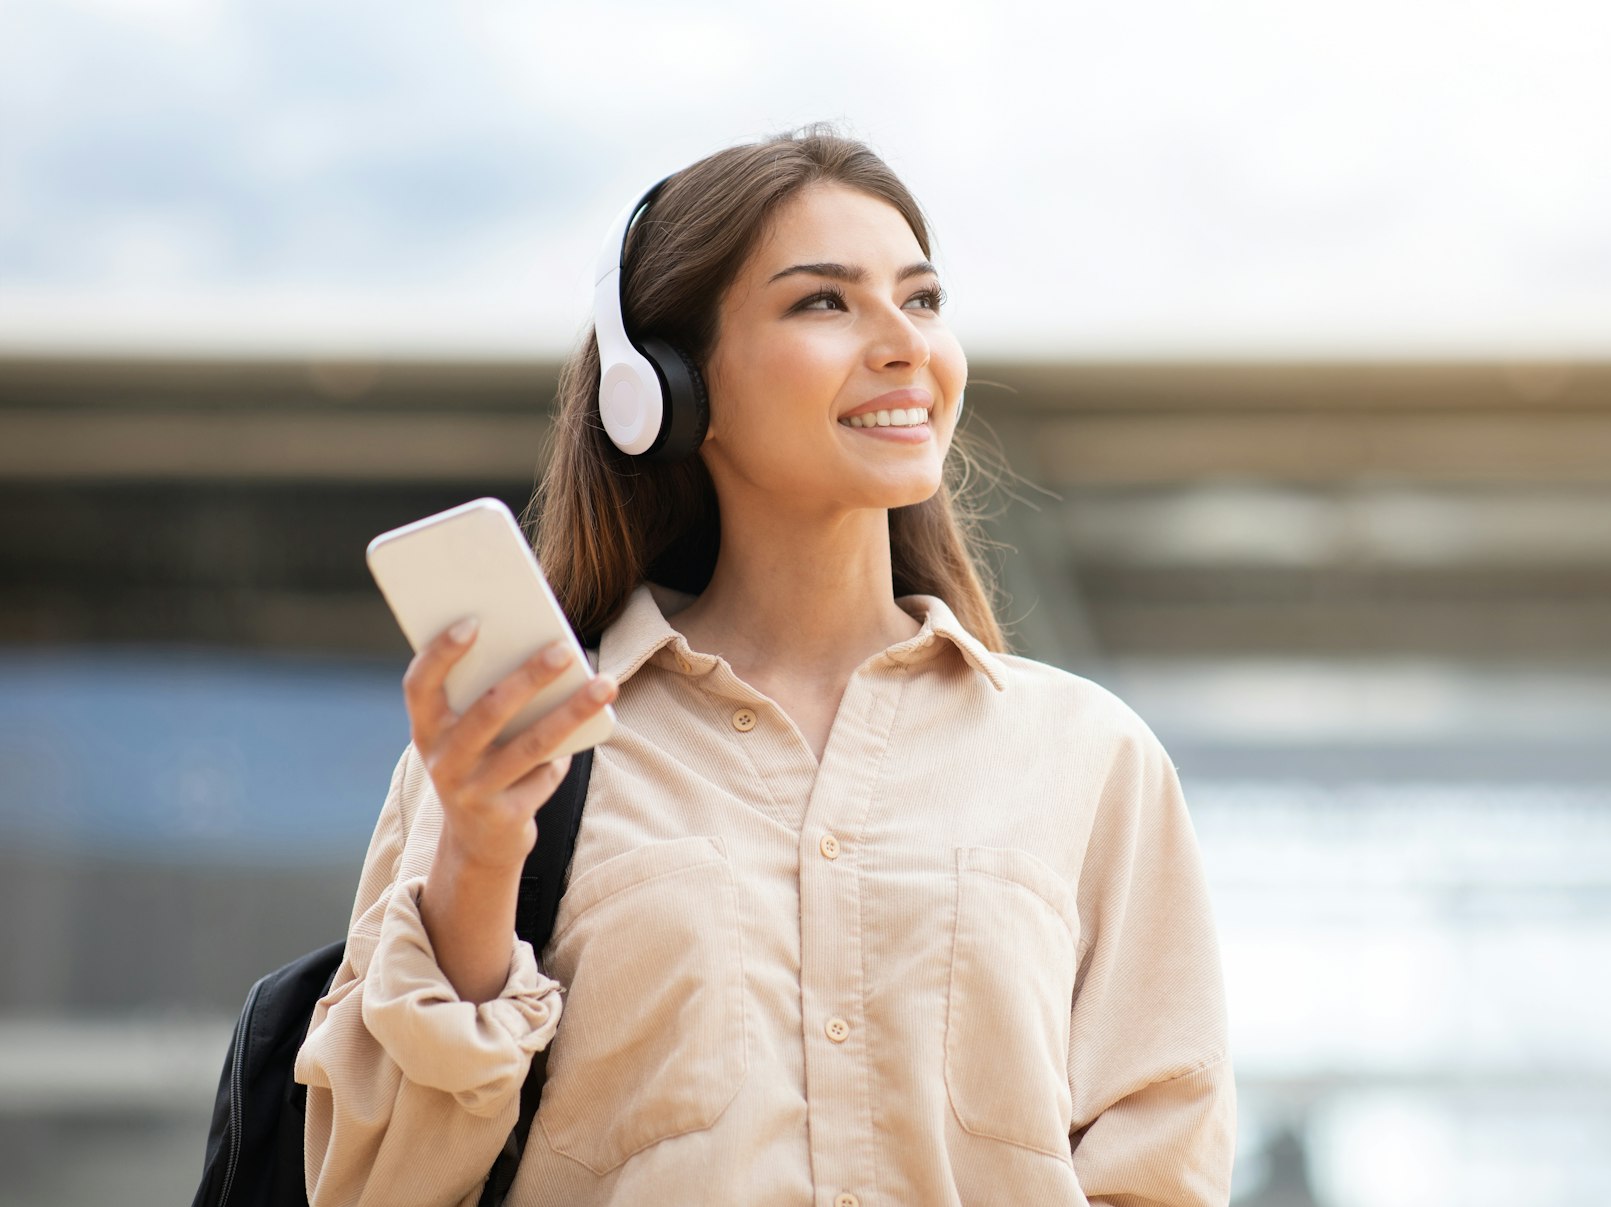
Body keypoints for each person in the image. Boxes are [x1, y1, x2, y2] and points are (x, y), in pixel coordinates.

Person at [294, 122, 1235, 1207]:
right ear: (667, 387)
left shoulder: (1085, 759)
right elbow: (367, 1187)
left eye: (921, 300)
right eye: (823, 302)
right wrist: (476, 864)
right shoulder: (517, 757)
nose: (902, 343)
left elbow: (1159, 1174)